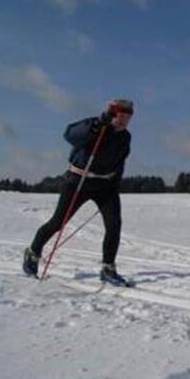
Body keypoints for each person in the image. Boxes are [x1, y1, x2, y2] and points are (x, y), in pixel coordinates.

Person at [23, 99, 135, 286]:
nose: (123, 121)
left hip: (106, 186)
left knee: (114, 225)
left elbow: (120, 161)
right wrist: (99, 123)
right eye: (120, 116)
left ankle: (108, 268)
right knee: (58, 222)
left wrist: (115, 184)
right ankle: (33, 253)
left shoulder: (125, 137)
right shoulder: (96, 125)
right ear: (113, 114)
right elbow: (70, 135)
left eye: (127, 117)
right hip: (78, 181)